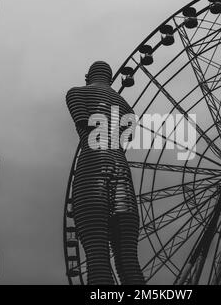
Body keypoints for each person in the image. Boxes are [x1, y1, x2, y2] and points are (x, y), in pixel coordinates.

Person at [66, 61, 145, 285]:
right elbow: (126, 138)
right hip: (121, 169)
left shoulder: (76, 94)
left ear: (87, 75)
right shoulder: (126, 107)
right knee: (129, 258)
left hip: (92, 167)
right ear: (111, 78)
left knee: (96, 253)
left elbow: (83, 121)